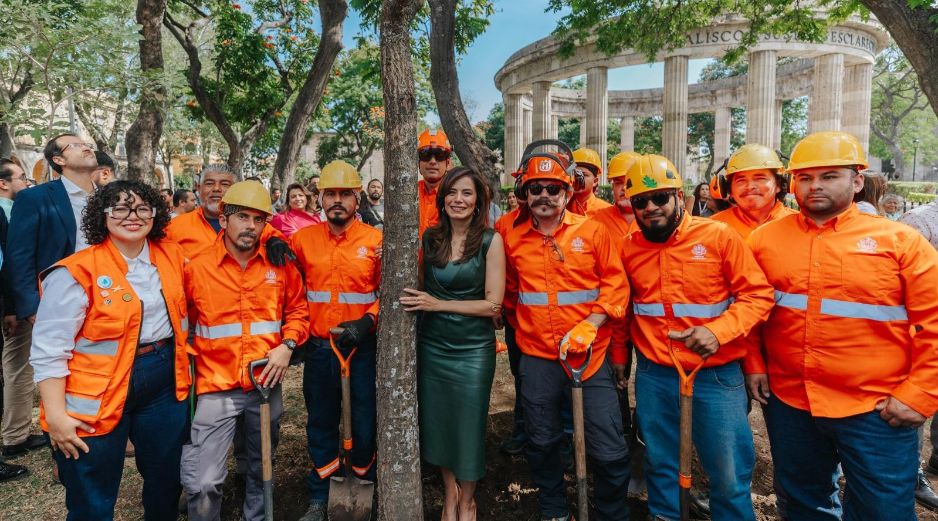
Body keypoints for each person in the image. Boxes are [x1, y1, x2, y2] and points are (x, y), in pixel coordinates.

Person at [747, 131, 938, 520]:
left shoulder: (901, 242)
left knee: (882, 510)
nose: (814, 185)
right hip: (791, 403)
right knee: (803, 505)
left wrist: (920, 394)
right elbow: (753, 310)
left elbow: (933, 321)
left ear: (857, 180)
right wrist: (754, 364)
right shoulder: (763, 241)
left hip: (878, 409)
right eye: (804, 177)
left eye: (829, 175)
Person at [619, 154, 774, 521]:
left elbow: (758, 295)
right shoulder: (629, 248)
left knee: (727, 471)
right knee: (660, 462)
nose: (651, 208)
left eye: (660, 198)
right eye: (640, 202)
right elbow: (621, 311)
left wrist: (717, 332)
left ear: (679, 196)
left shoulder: (718, 236)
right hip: (656, 375)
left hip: (715, 377)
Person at [30, 180, 191, 519]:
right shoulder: (77, 271)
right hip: (94, 394)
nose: (132, 216)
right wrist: (57, 416)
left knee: (166, 478)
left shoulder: (172, 256)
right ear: (102, 216)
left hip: (163, 382)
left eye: (142, 208)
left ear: (155, 214)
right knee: (92, 494)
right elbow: (48, 350)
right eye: (119, 207)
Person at [503, 152, 630, 521]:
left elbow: (616, 287)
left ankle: (611, 513)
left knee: (608, 448)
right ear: (525, 192)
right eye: (536, 188)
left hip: (590, 360)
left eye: (553, 188)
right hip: (538, 359)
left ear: (568, 190)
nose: (544, 195)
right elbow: (511, 295)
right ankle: (554, 509)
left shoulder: (592, 231)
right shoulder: (512, 239)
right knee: (541, 442)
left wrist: (590, 325)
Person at [181, 181, 308, 521]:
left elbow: (298, 311)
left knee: (261, 467)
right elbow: (183, 324)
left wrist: (288, 345)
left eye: (259, 219)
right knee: (204, 481)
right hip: (215, 386)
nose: (250, 226)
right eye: (242, 217)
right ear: (223, 221)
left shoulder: (279, 265)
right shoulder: (196, 268)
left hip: (265, 383)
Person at [400, 167, 505, 521]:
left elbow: (493, 305)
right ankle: (449, 492)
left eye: (467, 194)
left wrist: (438, 303)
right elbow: (415, 289)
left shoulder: (491, 241)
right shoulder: (429, 239)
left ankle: (468, 500)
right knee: (439, 421)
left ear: (478, 202)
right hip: (433, 345)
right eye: (452, 193)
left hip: (473, 349)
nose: (458, 200)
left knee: (469, 423)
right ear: (442, 198)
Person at [292, 160, 381, 521]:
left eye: (346, 194)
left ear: (357, 198)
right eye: (331, 194)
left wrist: (369, 320)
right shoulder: (301, 240)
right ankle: (321, 493)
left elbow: (388, 290)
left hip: (362, 348)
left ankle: (364, 484)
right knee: (321, 421)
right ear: (320, 199)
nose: (338, 200)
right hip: (319, 349)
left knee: (363, 423)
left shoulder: (376, 241)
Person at [5, 133, 98, 459]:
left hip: (106, 302)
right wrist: (33, 306)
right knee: (54, 370)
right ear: (58, 160)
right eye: (75, 144)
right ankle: (58, 437)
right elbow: (19, 255)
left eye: (87, 142)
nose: (87, 146)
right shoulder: (37, 198)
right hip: (56, 302)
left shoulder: (109, 197)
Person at [165, 164, 292, 263]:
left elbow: (285, 243)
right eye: (209, 183)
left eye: (224, 184)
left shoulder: (253, 224)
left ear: (235, 189)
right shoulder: (174, 227)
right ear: (198, 188)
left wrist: (276, 242)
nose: (216, 189)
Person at [0, 158, 29, 482]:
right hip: (10, 302)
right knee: (15, 365)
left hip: (9, 301)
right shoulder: (6, 212)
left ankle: (15, 435)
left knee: (15, 367)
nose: (25, 182)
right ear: (3, 183)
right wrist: (12, 305)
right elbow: (9, 262)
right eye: (21, 177)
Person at [710, 144, 798, 239]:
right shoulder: (711, 228)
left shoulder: (802, 225)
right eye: (741, 180)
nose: (750, 186)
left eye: (760, 178)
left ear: (779, 185)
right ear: (728, 189)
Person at [418, 128, 453, 238]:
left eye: (439, 155)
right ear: (418, 163)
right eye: (426, 155)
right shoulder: (406, 193)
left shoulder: (456, 194)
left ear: (447, 163)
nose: (432, 161)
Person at [568, 147, 612, 217]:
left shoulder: (607, 211)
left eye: (584, 175)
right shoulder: (561, 209)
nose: (577, 178)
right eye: (573, 174)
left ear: (595, 181)